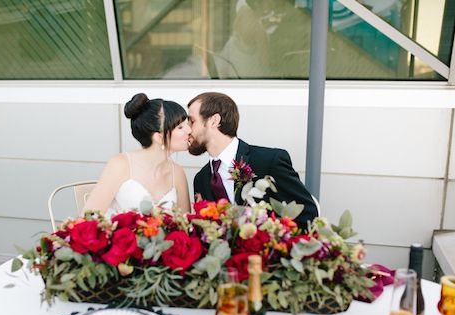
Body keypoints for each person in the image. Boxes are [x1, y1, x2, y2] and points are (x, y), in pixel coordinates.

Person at [187, 92, 318, 229]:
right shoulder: (201, 179)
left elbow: (308, 214)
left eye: (191, 121)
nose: (187, 129)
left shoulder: (269, 162)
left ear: (214, 121)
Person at [83, 93, 191, 215]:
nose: (189, 130)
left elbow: (185, 224)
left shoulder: (177, 172)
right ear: (159, 137)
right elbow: (88, 217)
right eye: (180, 127)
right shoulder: (120, 164)